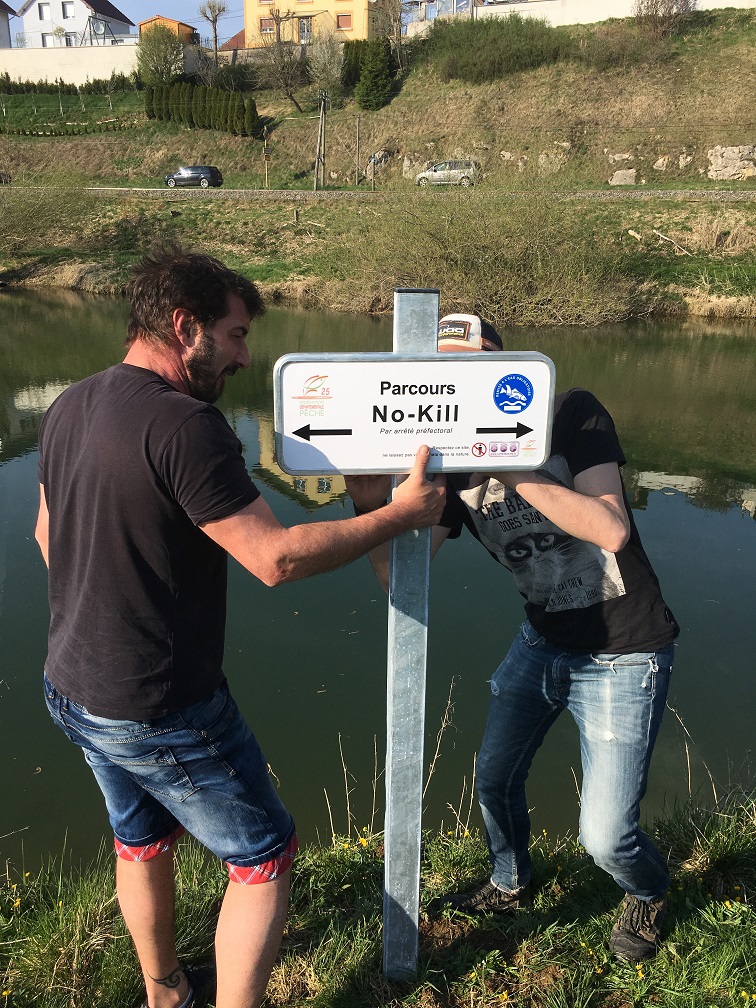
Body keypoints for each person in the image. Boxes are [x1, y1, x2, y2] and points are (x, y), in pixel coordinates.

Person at [34, 245, 445, 1008]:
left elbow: (45, 537)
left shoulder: (72, 403)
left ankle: (165, 993)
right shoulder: (186, 426)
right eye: (235, 335)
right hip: (161, 704)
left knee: (140, 840)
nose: (245, 358)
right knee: (264, 856)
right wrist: (400, 514)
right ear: (183, 327)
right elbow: (274, 558)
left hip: (74, 685)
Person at [346, 312, 679, 964]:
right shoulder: (445, 468)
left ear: (507, 370)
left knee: (607, 839)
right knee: (494, 780)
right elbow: (398, 579)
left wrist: (503, 455)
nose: (459, 387)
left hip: (625, 649)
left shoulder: (572, 415)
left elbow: (610, 529)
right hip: (543, 640)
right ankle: (510, 880)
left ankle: (648, 890)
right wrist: (367, 503)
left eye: (476, 369)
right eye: (444, 374)